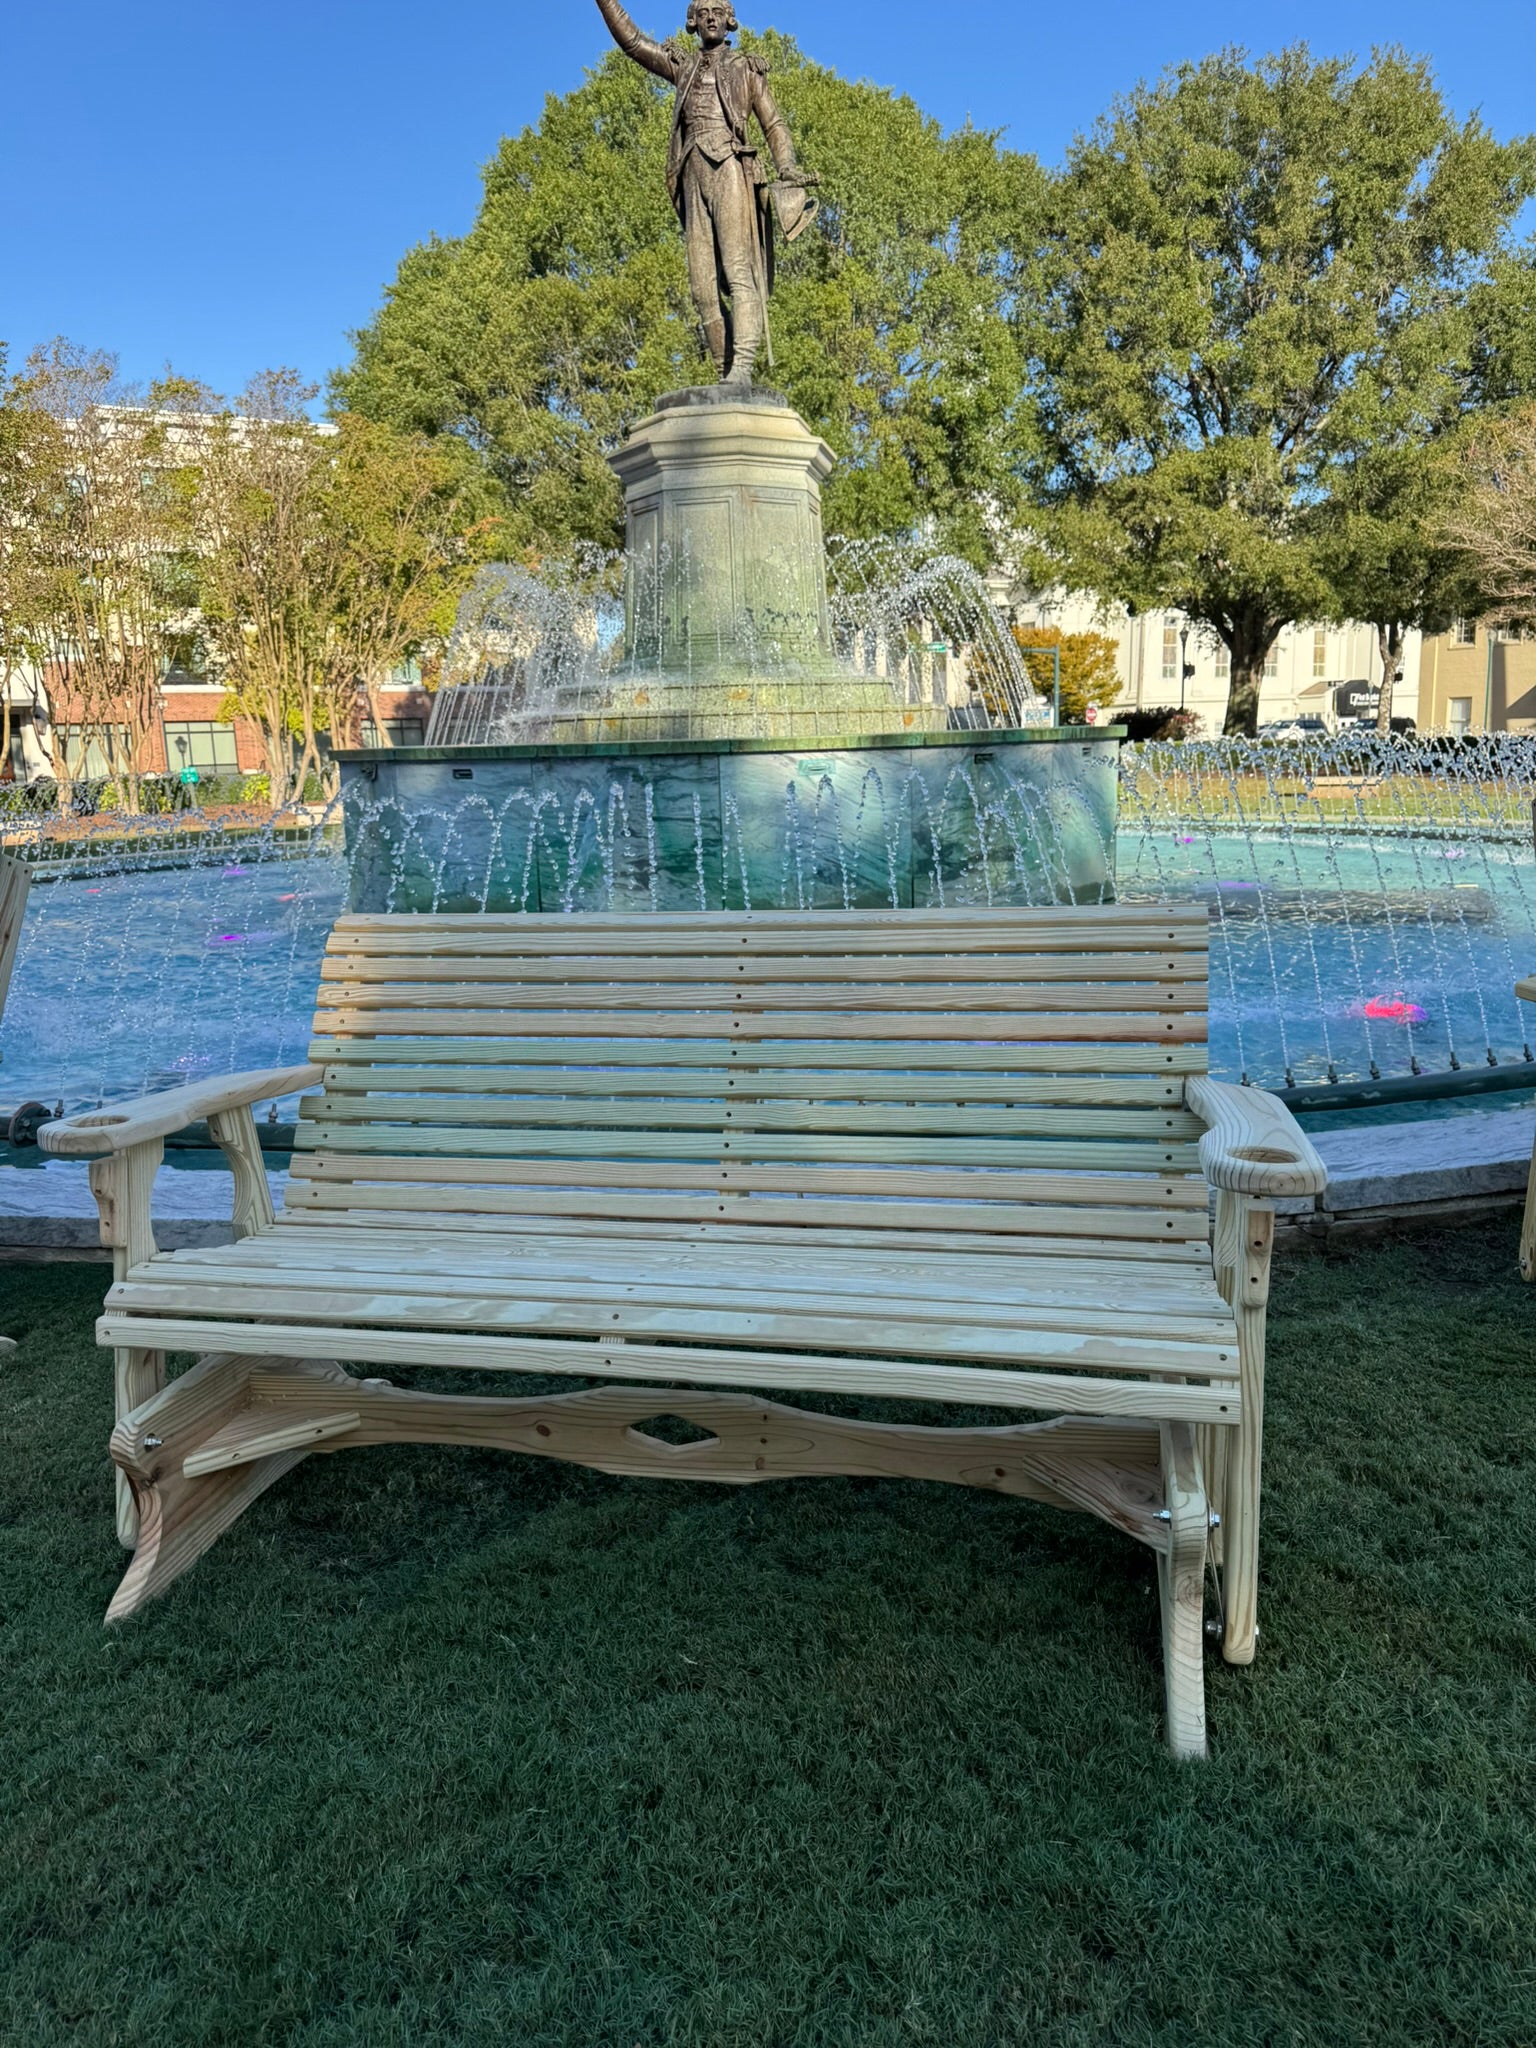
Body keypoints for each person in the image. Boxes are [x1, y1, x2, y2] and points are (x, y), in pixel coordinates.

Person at [592, 0, 816, 385]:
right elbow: (631, 41)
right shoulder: (683, 66)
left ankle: (742, 368)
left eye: (718, 9)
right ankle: (721, 373)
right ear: (692, 22)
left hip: (729, 166)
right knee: (701, 288)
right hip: (691, 172)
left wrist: (788, 168)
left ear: (730, 21)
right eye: (703, 10)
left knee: (739, 271)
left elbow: (774, 124)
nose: (711, 15)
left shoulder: (746, 68)